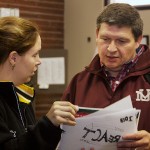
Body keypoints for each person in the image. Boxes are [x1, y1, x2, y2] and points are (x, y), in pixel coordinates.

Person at [61, 3, 150, 149]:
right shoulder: (80, 81)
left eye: (121, 41)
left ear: (138, 40)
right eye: (105, 39)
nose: (111, 49)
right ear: (97, 34)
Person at [0, 16, 78, 150]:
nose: (39, 61)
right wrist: (47, 124)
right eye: (34, 55)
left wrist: (55, 127)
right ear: (13, 58)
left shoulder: (22, 95)